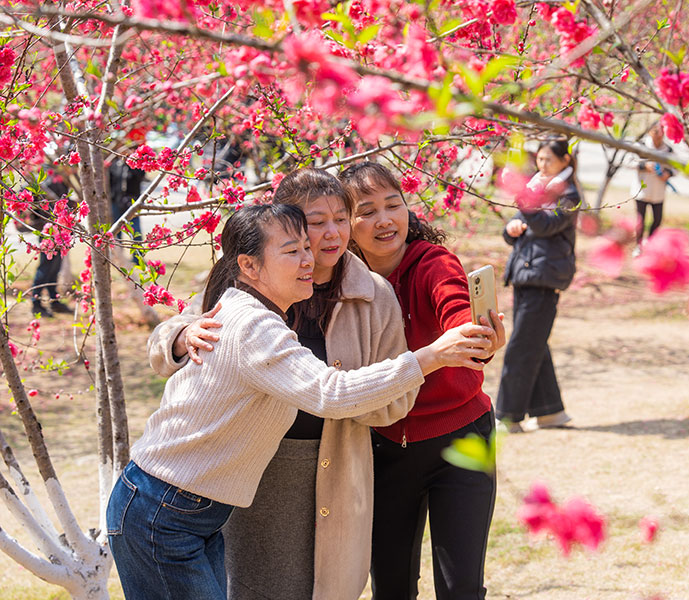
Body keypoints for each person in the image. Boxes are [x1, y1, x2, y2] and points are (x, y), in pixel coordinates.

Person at [108, 204, 498, 600]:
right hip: (162, 510)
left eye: (305, 249)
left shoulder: (253, 312)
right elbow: (332, 393)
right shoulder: (254, 326)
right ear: (249, 265)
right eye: (292, 251)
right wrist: (431, 356)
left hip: (181, 509)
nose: (309, 260)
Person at [146, 168, 430, 600]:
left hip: (333, 463)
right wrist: (180, 336)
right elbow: (181, 331)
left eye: (341, 217)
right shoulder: (247, 274)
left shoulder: (373, 294)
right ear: (287, 224)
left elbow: (398, 403)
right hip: (250, 468)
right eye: (316, 222)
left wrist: (339, 392)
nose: (333, 233)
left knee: (321, 587)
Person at [339, 162, 506, 600]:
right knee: (391, 587)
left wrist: (476, 339)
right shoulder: (345, 285)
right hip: (383, 448)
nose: (384, 219)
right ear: (348, 225)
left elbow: (455, 306)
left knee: (461, 587)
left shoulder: (433, 263)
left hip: (461, 439)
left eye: (393, 205)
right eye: (367, 211)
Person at [494, 138, 579, 433]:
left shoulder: (569, 194)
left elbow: (544, 225)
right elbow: (515, 229)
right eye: (540, 160)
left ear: (565, 161)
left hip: (544, 278)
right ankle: (549, 412)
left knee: (521, 347)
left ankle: (508, 416)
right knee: (533, 344)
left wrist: (522, 197)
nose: (542, 166)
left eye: (549, 161)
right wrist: (511, 229)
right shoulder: (538, 189)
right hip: (527, 274)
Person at [30, 172, 75, 317]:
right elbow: (45, 209)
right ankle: (36, 303)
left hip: (60, 232)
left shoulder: (61, 179)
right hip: (49, 232)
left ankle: (54, 300)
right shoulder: (48, 182)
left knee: (55, 267)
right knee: (45, 267)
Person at [633, 122, 674, 255]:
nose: (659, 135)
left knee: (657, 220)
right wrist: (645, 166)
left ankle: (649, 244)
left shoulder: (668, 150)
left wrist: (668, 174)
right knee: (641, 220)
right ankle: (638, 246)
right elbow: (629, 161)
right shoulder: (641, 145)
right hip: (642, 190)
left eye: (662, 131)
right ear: (650, 131)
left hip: (658, 192)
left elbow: (676, 168)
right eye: (656, 131)